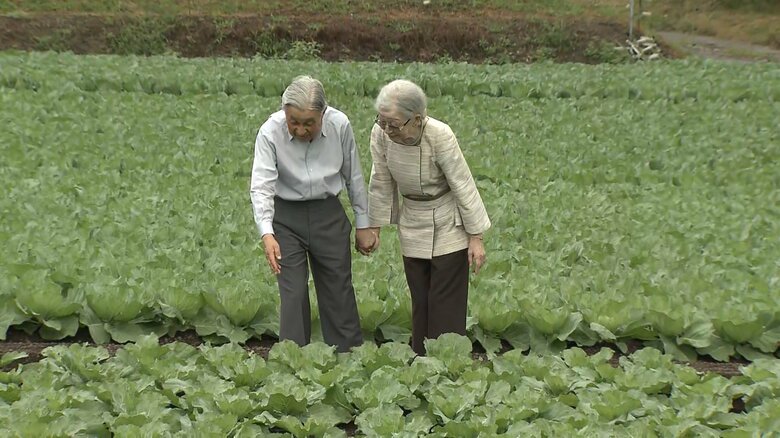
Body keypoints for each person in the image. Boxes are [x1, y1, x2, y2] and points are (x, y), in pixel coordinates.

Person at [249, 75, 376, 353]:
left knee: (337, 289)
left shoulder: (340, 124)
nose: (301, 129)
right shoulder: (270, 132)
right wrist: (267, 233)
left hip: (327, 213)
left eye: (309, 123)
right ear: (285, 112)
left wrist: (363, 223)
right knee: (292, 293)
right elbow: (261, 185)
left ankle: (349, 356)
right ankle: (293, 361)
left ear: (323, 114)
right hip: (286, 219)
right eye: (294, 121)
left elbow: (352, 174)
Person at [364, 79, 490, 356]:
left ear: (417, 119)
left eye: (394, 124)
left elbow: (462, 183)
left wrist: (476, 237)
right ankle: (421, 359)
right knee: (420, 297)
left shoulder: (439, 135)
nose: (387, 130)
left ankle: (448, 361)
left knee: (445, 299)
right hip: (413, 219)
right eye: (382, 122)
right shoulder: (380, 134)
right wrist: (373, 226)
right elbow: (381, 180)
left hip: (447, 219)